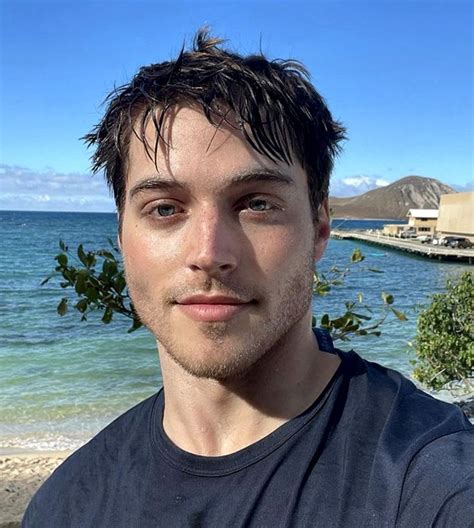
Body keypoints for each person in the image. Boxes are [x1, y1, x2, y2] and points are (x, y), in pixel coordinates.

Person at [23, 29, 473, 527]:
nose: (209, 254)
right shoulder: (65, 504)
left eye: (257, 204)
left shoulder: (430, 479)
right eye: (165, 208)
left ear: (320, 229)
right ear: (123, 238)